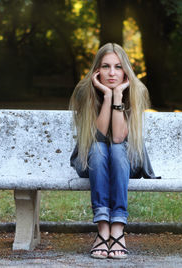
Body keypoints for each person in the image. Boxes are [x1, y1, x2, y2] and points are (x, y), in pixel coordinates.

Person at [69, 43, 158, 259]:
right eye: (106, 66)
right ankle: (103, 229)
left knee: (116, 150)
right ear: (96, 70)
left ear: (125, 70)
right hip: (92, 161)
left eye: (118, 67)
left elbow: (118, 138)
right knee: (100, 150)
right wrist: (106, 97)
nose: (111, 73)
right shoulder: (85, 91)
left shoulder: (136, 90)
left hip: (127, 161)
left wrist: (117, 96)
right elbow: (98, 137)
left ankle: (117, 227)